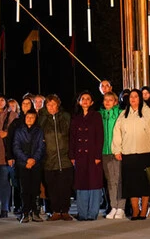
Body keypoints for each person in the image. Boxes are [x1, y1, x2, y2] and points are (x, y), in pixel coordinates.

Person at [111, 89, 150, 220]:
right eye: (131, 97)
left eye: (136, 96)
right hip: (128, 153)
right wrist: (117, 150)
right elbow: (117, 133)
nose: (133, 99)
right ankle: (135, 209)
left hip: (145, 152)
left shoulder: (148, 113)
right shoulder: (123, 114)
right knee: (131, 183)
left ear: (140, 98)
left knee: (144, 182)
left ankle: (144, 209)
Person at [69, 91, 104, 221]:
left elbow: (99, 136)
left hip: (93, 154)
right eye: (82, 98)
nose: (85, 101)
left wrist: (97, 155)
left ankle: (92, 213)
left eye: (88, 99)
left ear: (92, 102)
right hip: (79, 155)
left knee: (94, 183)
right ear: (79, 101)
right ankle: (82, 213)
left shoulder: (96, 116)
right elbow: (72, 138)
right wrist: (72, 155)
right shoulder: (75, 117)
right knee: (81, 183)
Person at [39, 94, 74, 221]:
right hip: (49, 159)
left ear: (58, 105)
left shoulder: (66, 117)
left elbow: (71, 135)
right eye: (48, 104)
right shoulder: (42, 119)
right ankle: (54, 211)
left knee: (65, 186)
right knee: (52, 186)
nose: (51, 107)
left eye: (53, 104)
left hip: (65, 159)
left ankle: (64, 211)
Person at [13, 109, 45, 223]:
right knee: (24, 189)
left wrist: (33, 160)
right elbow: (16, 147)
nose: (29, 119)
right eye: (28, 117)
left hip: (36, 164)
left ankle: (35, 212)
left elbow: (41, 147)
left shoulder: (39, 131)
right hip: (23, 164)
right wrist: (26, 160)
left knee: (35, 189)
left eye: (32, 117)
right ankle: (25, 212)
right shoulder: (19, 131)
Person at [100, 91, 125, 219]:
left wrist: (119, 149)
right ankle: (113, 206)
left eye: (111, 100)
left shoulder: (120, 114)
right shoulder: (100, 115)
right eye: (106, 100)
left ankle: (121, 207)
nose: (108, 102)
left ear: (116, 101)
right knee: (110, 181)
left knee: (119, 179)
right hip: (105, 152)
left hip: (117, 151)